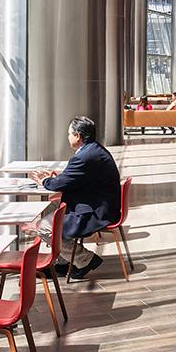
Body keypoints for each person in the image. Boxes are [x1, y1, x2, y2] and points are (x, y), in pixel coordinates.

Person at [29, 116, 122, 279]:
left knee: (43, 226)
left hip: (96, 211)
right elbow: (71, 179)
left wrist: (44, 180)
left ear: (78, 136)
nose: (68, 137)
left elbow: (59, 185)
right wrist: (55, 178)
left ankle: (85, 259)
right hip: (98, 203)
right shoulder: (93, 150)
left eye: (69, 134)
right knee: (51, 209)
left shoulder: (84, 157)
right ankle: (63, 261)